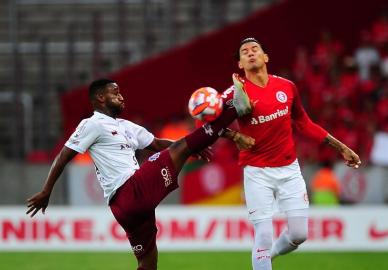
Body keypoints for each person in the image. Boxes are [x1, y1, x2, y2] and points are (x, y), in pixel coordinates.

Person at [26, 78, 255, 270]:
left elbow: (156, 144)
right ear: (100, 98)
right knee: (184, 145)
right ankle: (234, 106)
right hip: (130, 191)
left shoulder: (125, 125)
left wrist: (190, 147)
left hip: (127, 208)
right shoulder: (92, 124)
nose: (121, 96)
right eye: (115, 92)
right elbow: (63, 155)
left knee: (148, 264)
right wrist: (47, 190)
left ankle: (230, 111)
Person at [221, 38, 361, 270]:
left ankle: (270, 256)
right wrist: (235, 136)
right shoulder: (234, 93)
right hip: (257, 172)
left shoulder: (286, 87)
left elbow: (304, 123)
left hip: (289, 170)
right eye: (245, 52)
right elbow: (206, 125)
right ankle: (264, 256)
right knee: (263, 236)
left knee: (298, 235)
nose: (251, 53)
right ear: (240, 64)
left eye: (255, 49)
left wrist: (341, 147)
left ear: (266, 57)